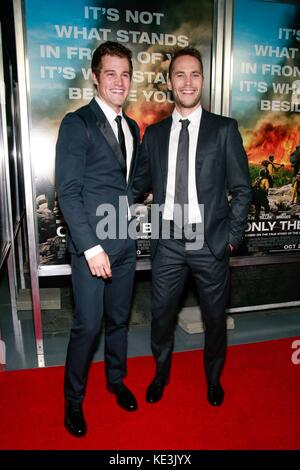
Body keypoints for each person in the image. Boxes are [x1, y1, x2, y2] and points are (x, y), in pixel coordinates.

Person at [134, 47, 252, 407]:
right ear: (170, 83)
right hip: (167, 239)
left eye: (194, 74)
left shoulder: (224, 129)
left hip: (210, 242)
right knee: (161, 316)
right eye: (180, 75)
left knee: (215, 319)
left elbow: (242, 189)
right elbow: (136, 184)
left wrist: (230, 240)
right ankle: (161, 373)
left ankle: (213, 379)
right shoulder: (153, 135)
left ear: (202, 80)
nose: (187, 81)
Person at [56, 41, 140, 438]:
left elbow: (126, 186)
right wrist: (90, 247)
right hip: (93, 248)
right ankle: (73, 400)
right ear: (95, 77)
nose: (119, 81)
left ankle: (115, 380)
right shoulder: (78, 123)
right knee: (88, 326)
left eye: (125, 74)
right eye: (111, 73)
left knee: (120, 320)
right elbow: (68, 193)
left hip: (124, 242)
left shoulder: (133, 127)